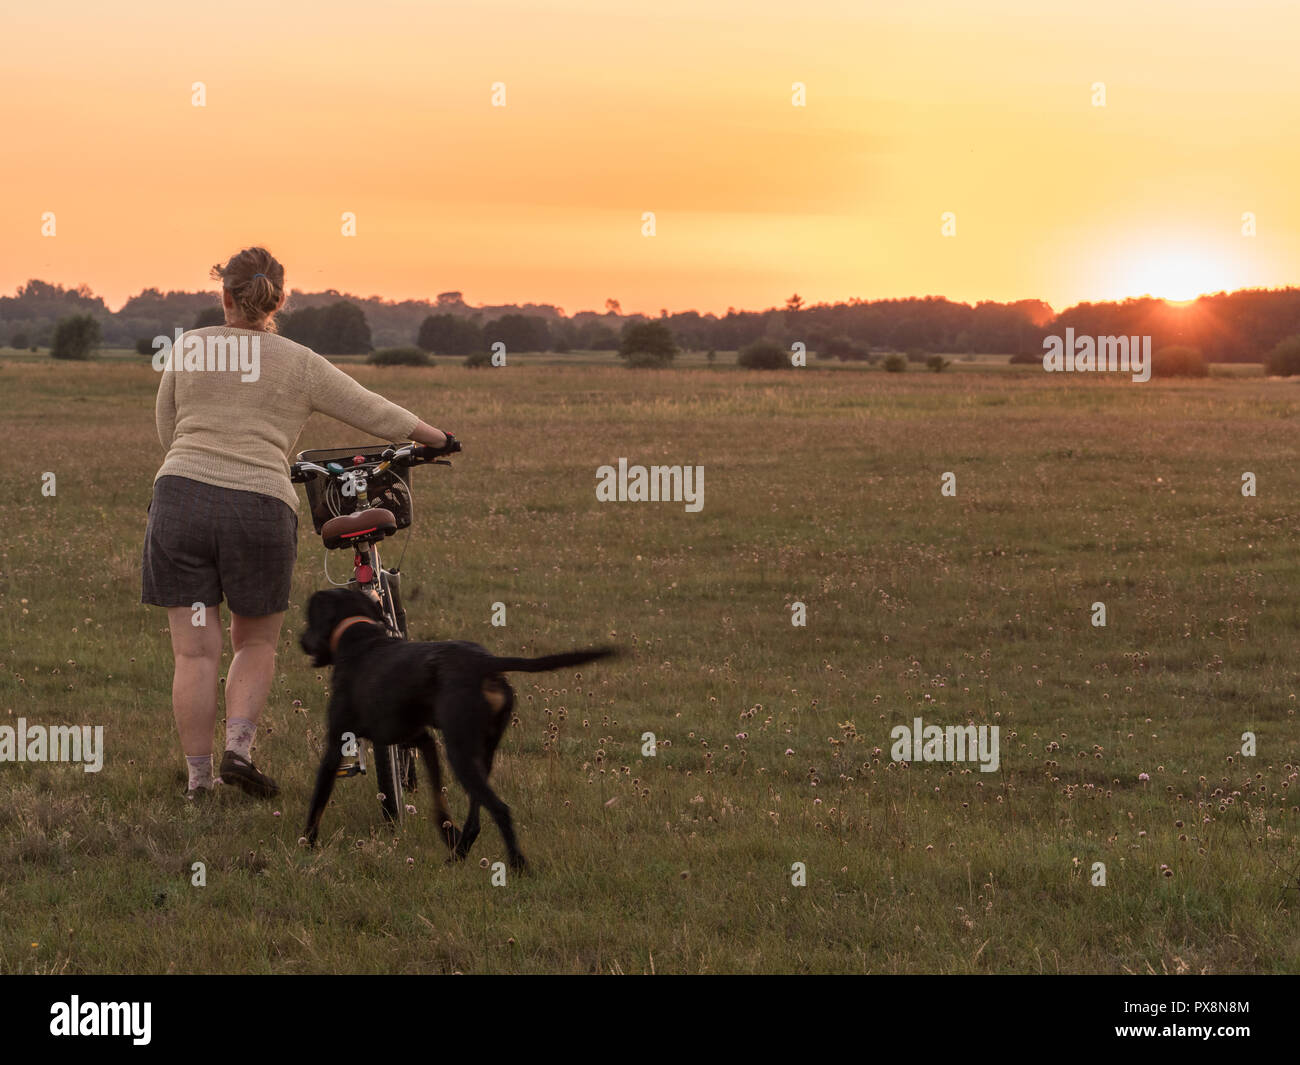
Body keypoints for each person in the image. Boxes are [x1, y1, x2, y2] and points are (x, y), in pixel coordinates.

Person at [142, 246, 451, 799]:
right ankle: (239, 750)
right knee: (253, 643)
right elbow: (370, 408)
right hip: (259, 506)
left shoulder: (189, 347)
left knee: (193, 651)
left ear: (225, 297)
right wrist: (434, 437)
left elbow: (168, 429)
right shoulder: (298, 361)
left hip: (180, 499)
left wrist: (196, 464)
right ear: (279, 299)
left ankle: (197, 782)